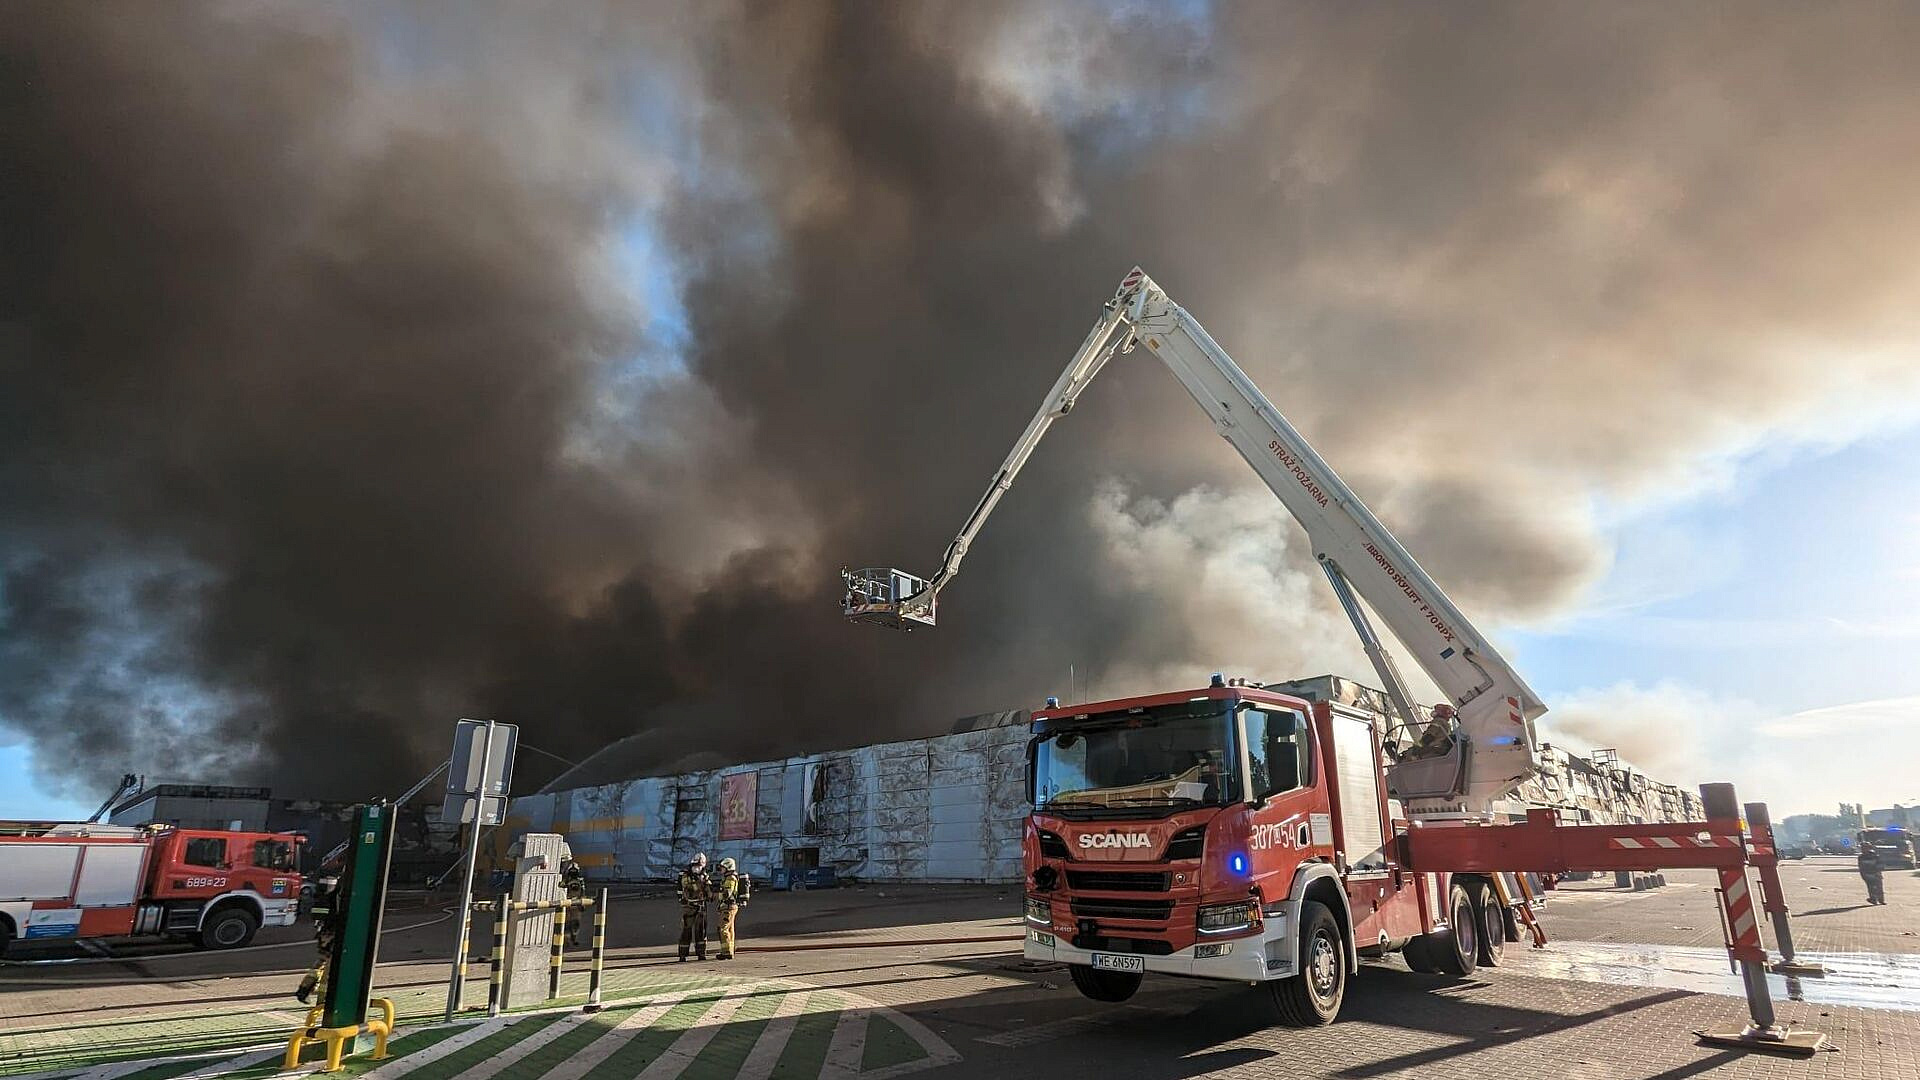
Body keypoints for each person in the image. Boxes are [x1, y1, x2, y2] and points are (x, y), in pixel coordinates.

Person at [294, 869, 343, 1004]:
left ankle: (304, 989)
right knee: (331, 966)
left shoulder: (325, 896)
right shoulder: (340, 892)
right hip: (334, 933)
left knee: (321, 961)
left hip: (324, 933)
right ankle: (323, 999)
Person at [677, 853, 712, 961]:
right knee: (686, 931)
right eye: (696, 866)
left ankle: (701, 954)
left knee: (701, 931)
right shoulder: (685, 875)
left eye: (700, 866)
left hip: (701, 906)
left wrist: (710, 895)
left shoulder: (704, 876)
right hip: (689, 906)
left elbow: (708, 888)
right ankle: (683, 955)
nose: (697, 868)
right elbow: (683, 888)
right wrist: (681, 899)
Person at [713, 857, 750, 960]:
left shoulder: (730, 878)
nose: (721, 870)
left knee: (723, 928)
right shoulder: (729, 877)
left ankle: (726, 952)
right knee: (730, 929)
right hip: (730, 907)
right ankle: (730, 950)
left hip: (728, 907)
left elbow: (727, 894)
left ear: (728, 867)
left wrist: (714, 896)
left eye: (723, 867)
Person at [560, 857, 588, 946]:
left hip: (575, 904)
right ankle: (567, 939)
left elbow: (583, 891)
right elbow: (561, 888)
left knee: (574, 923)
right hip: (569, 904)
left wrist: (583, 902)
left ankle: (573, 938)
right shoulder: (569, 880)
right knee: (569, 923)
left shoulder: (579, 880)